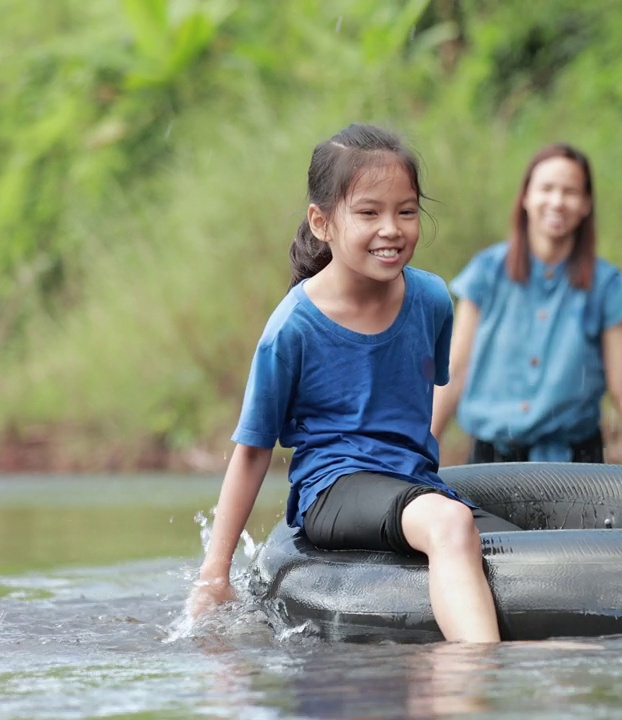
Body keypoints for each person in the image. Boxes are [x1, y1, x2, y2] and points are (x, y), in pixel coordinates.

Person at [186, 124, 520, 642]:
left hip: (412, 482)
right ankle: (473, 675)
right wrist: (215, 572)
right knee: (451, 526)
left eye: (406, 211)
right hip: (333, 490)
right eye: (369, 212)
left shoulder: (431, 300)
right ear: (322, 223)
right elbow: (252, 450)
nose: (392, 228)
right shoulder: (293, 328)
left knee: (525, 548)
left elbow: (415, 407)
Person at [431, 144, 622, 467]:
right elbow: (453, 374)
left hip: (575, 465)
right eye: (546, 189)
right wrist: (421, 454)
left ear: (586, 204)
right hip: (491, 462)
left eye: (570, 192)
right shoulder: (486, 273)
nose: (557, 201)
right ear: (526, 196)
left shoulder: (608, 287)